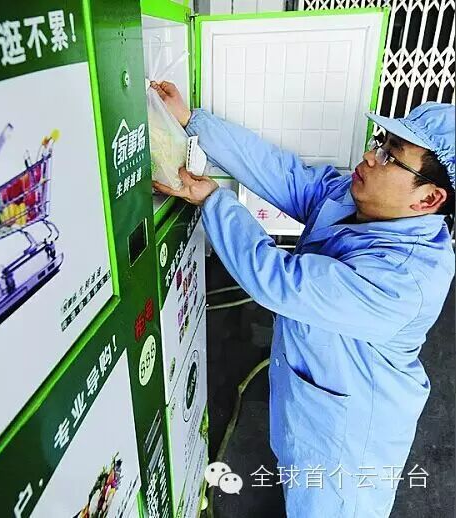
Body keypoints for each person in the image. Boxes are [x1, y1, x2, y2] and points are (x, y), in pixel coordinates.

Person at [151, 80, 455, 518]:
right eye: (381, 143)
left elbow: (279, 280)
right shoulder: (357, 199)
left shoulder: (405, 279)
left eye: (392, 156)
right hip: (310, 404)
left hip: (345, 440)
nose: (371, 156)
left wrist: (214, 201)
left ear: (429, 198)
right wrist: (191, 121)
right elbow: (284, 174)